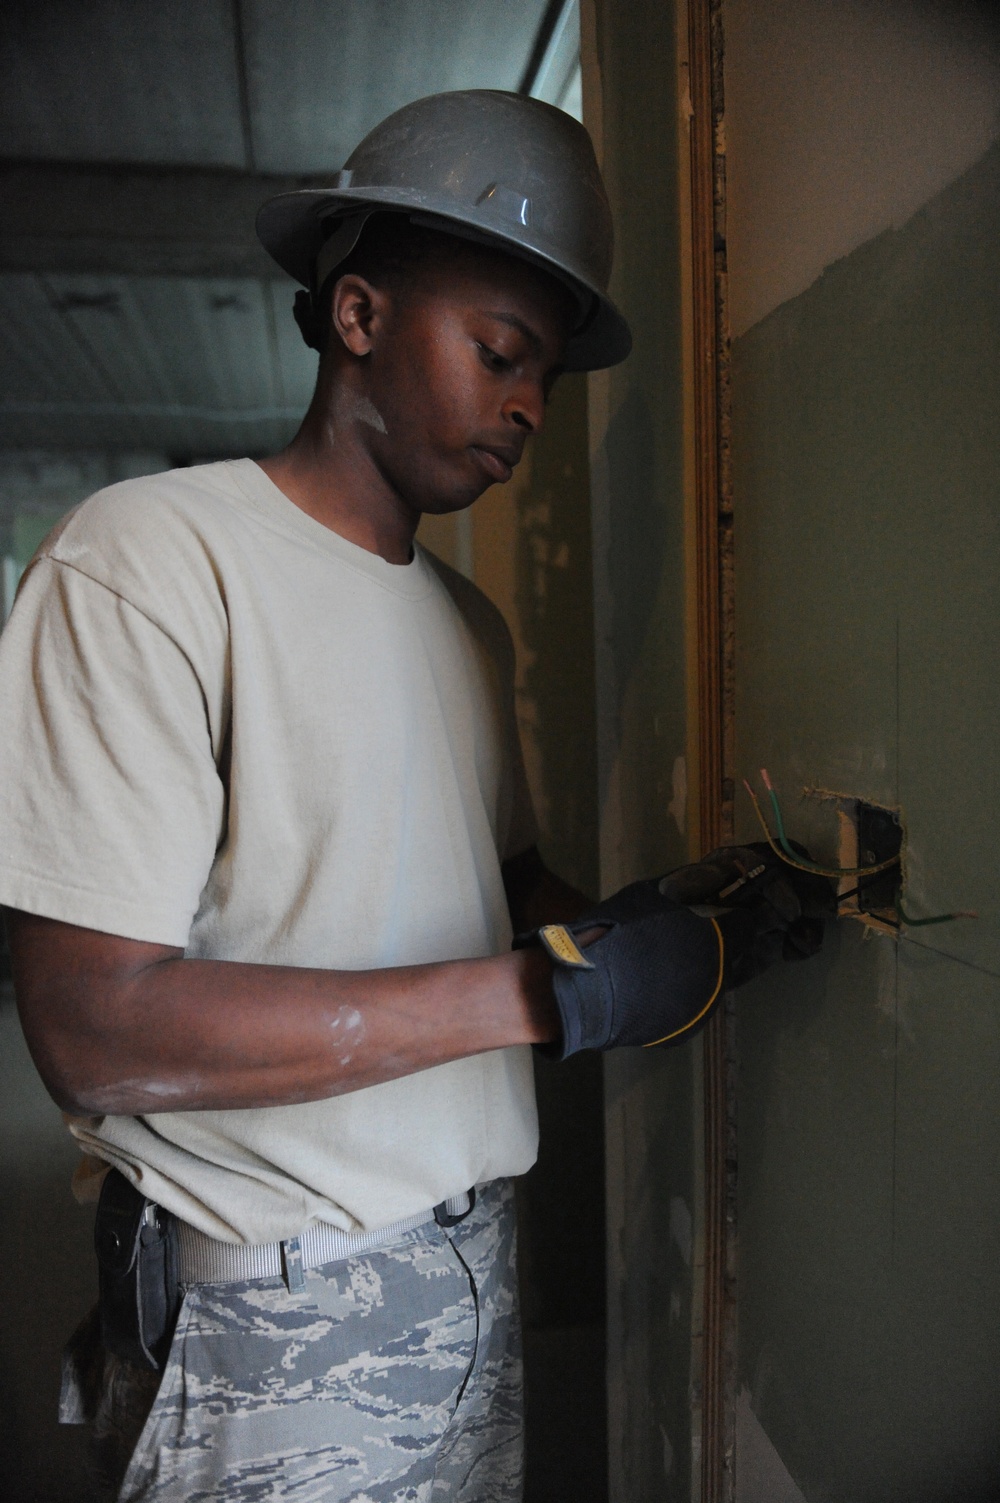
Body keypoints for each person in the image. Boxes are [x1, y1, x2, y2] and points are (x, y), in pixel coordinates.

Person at [0, 91, 831, 1502]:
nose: (525, 404)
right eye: (500, 351)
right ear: (361, 314)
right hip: (270, 1306)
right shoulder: (149, 562)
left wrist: (672, 926)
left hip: (467, 1263)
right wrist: (547, 995)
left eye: (545, 377)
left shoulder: (465, 623)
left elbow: (494, 890)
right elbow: (94, 1029)